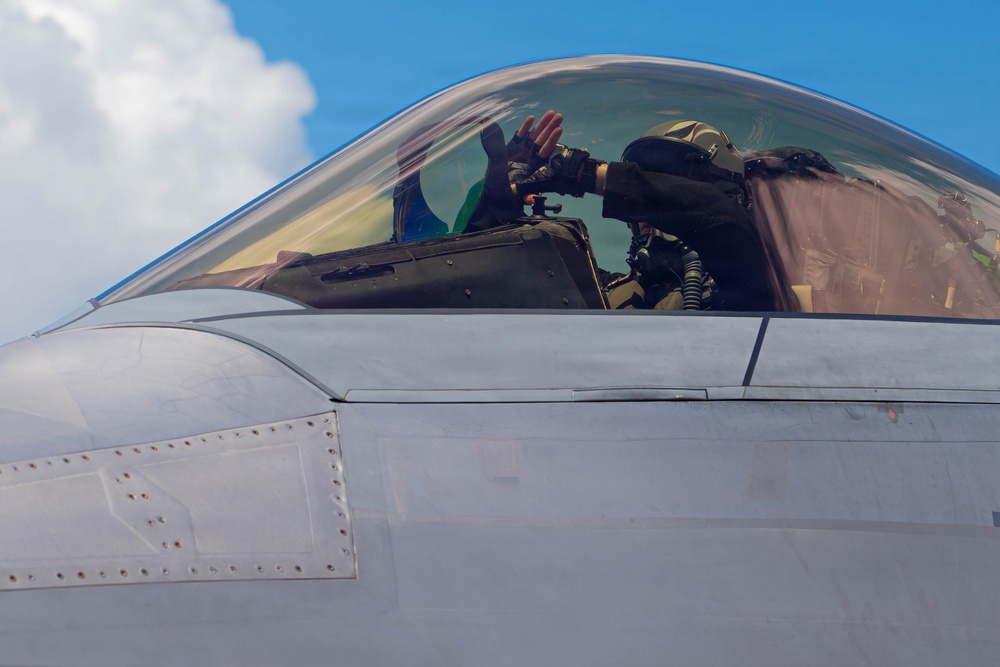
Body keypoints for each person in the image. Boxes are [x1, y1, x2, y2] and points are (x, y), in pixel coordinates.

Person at [507, 112, 790, 312]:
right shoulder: (603, 290)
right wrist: (503, 193)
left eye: (660, 189)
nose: (645, 216)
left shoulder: (753, 281)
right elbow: (508, 272)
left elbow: (718, 215)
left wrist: (582, 172)